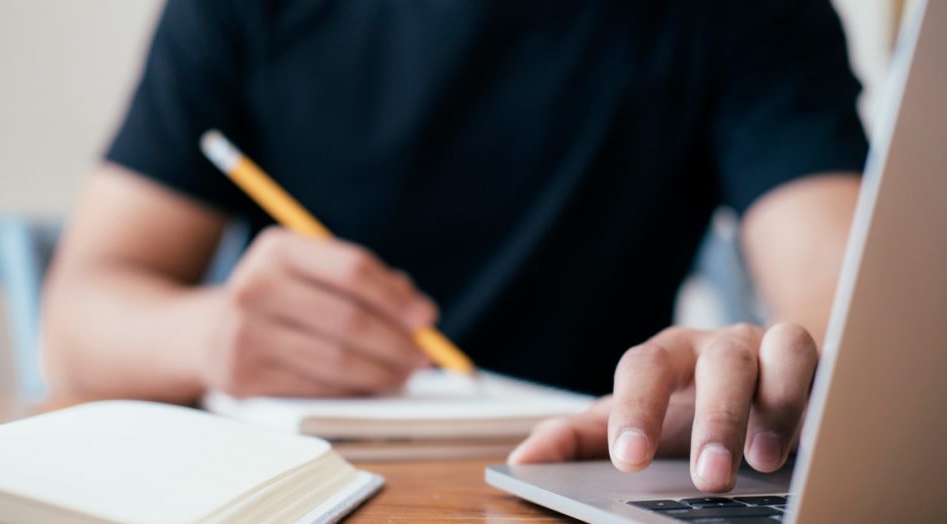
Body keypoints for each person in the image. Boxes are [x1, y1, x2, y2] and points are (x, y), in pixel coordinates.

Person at [42, 0, 867, 493]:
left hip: (573, 479)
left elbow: (849, 290)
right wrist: (209, 335)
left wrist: (765, 373)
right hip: (294, 487)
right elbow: (78, 315)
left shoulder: (749, 12)